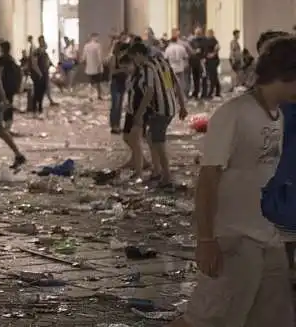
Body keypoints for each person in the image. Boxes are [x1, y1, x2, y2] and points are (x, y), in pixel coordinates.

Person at [169, 35, 296, 327]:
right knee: (207, 320)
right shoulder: (234, 114)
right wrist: (206, 239)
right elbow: (208, 181)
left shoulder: (277, 115)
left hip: (269, 236)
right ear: (288, 75)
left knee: (273, 319)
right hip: (236, 239)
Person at [124, 42, 187, 186]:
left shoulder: (147, 67)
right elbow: (174, 83)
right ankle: (157, 171)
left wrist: (139, 113)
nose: (134, 62)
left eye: (134, 58)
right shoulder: (162, 63)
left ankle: (166, 176)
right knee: (151, 137)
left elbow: (150, 91)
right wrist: (182, 105)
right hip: (169, 107)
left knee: (158, 142)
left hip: (160, 109)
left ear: (139, 55)